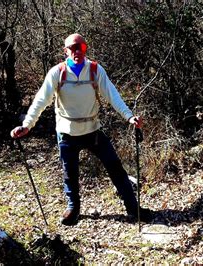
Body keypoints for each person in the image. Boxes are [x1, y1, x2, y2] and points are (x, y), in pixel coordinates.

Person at [11, 33, 152, 226]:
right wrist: (27, 125)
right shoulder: (57, 73)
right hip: (67, 133)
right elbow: (41, 101)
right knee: (70, 174)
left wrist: (129, 116)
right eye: (72, 48)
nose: (77, 51)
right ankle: (73, 209)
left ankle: (133, 208)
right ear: (66, 51)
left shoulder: (95, 70)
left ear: (86, 49)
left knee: (116, 169)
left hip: (93, 131)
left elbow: (112, 95)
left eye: (81, 47)